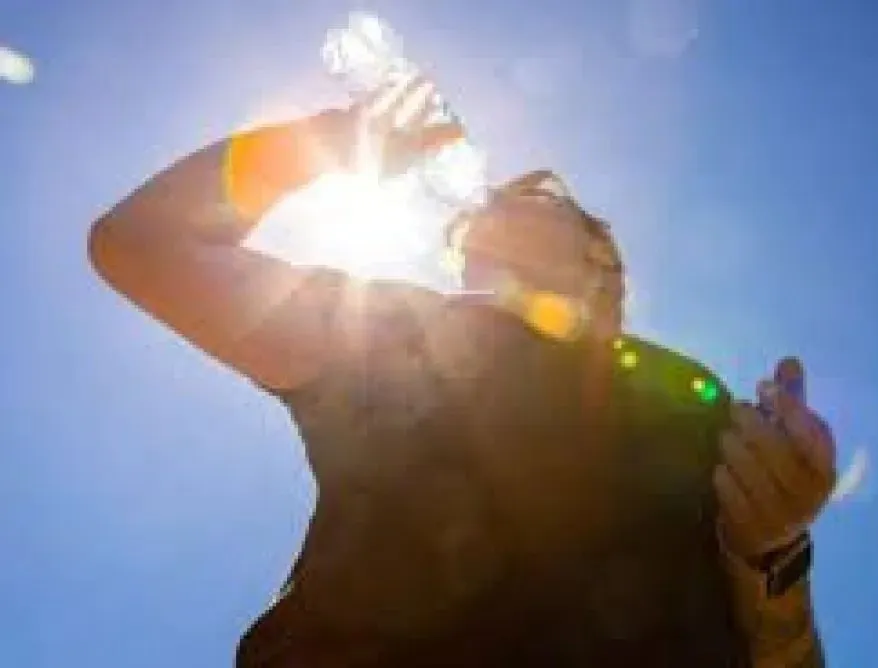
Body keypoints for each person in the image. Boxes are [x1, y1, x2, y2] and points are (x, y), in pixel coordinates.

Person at [88, 75, 836, 667]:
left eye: (534, 195)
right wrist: (321, 146)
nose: (494, 196)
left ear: (597, 255)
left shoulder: (685, 395)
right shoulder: (396, 333)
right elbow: (142, 244)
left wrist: (775, 551)